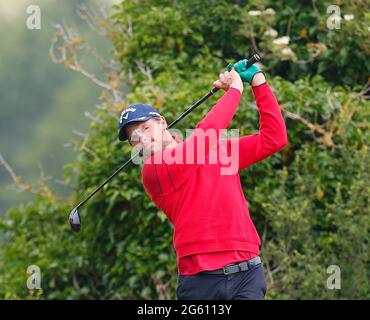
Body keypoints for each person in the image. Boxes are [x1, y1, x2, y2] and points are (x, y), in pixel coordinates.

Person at [117, 59, 288, 300]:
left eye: (145, 129)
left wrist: (258, 82)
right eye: (134, 139)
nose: (142, 139)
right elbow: (203, 137)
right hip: (200, 281)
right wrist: (235, 89)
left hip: (247, 272)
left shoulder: (217, 150)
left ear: (163, 123)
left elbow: (274, 138)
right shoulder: (153, 171)